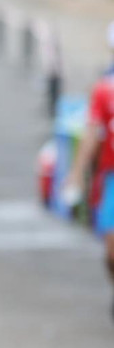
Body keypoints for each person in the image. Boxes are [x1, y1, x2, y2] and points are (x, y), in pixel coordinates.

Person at [61, 21, 114, 319]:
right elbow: (92, 133)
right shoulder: (104, 89)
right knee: (111, 247)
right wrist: (77, 174)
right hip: (111, 178)